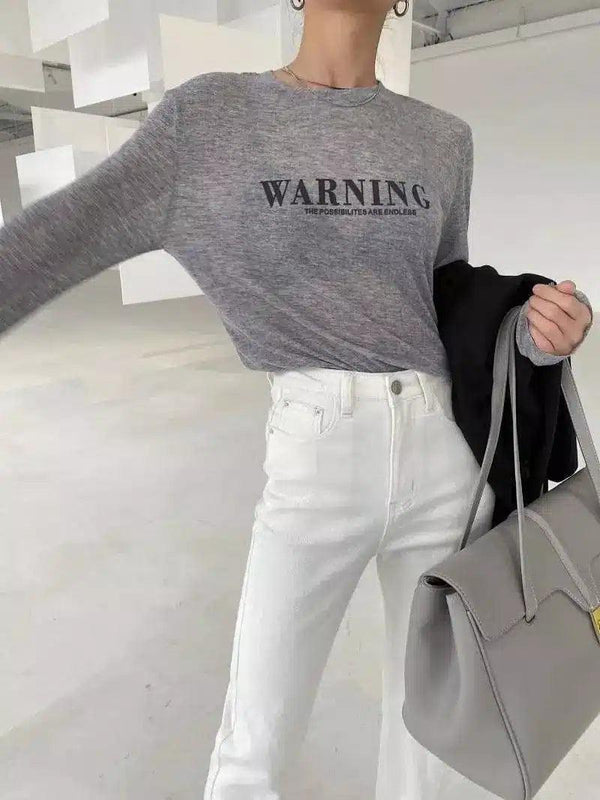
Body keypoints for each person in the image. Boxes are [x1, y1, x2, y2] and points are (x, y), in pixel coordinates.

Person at [0, 1, 593, 798]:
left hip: (444, 454)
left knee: (438, 743)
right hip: (318, 449)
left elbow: (442, 299)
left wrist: (532, 335)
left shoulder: (442, 139)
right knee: (254, 746)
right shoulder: (208, 119)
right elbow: (57, 237)